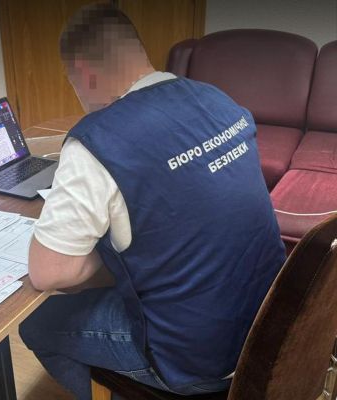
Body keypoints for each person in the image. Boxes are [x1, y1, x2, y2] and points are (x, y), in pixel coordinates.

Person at [19, 3, 286, 400]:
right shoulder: (216, 99)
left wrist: (112, 253)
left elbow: (48, 273)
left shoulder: (98, 139)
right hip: (271, 326)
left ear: (85, 74)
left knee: (39, 325)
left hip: (200, 360)